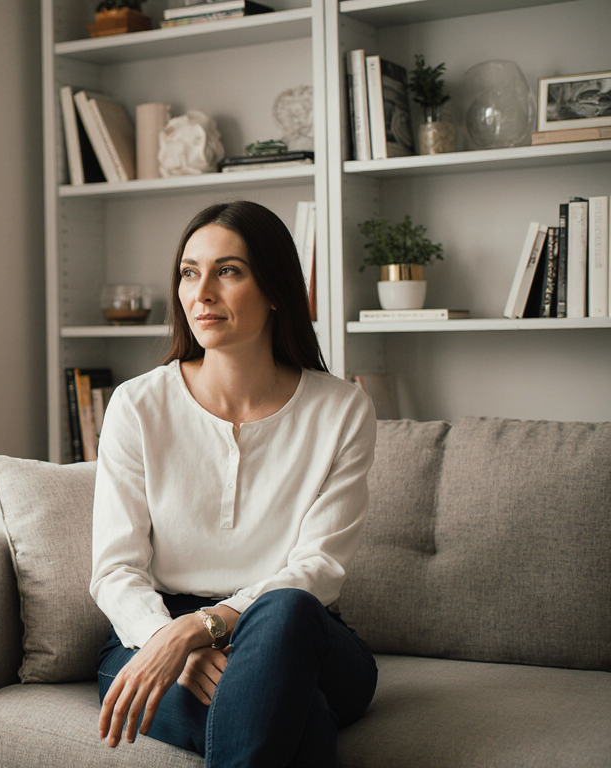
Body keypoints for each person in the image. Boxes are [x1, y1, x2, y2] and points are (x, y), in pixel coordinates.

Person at [89, 200, 378, 768]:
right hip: (152, 631)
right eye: (190, 273)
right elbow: (115, 570)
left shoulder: (342, 409)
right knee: (304, 720)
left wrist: (199, 632)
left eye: (229, 271)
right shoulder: (138, 405)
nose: (202, 293)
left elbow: (317, 568)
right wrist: (169, 639)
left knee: (289, 607)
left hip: (299, 633)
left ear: (275, 289)